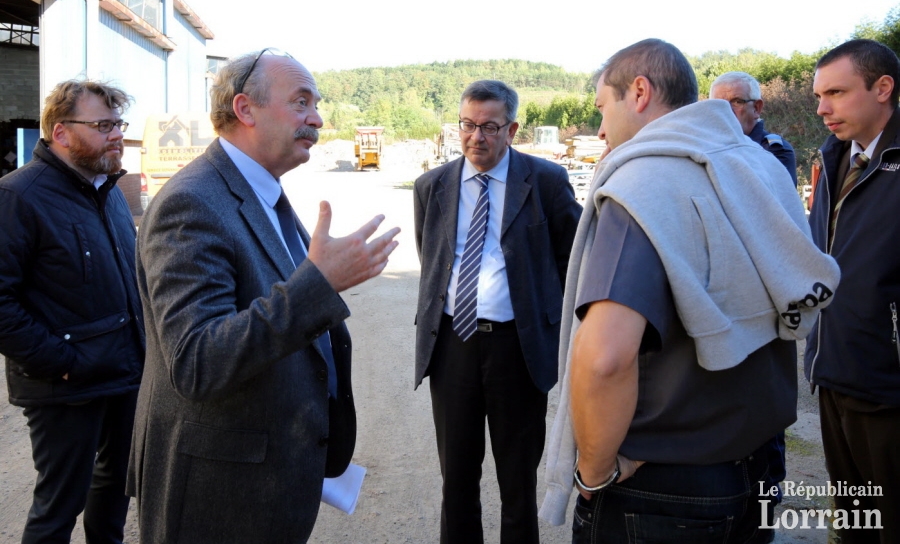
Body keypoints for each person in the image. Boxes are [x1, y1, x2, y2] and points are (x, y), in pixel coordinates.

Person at [540, 39, 840, 542]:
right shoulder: (759, 166)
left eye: (602, 108)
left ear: (638, 92)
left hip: (663, 482)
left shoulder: (643, 183)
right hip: (758, 460)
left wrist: (594, 472)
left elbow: (605, 359)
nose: (599, 130)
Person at [128, 48, 400, 543]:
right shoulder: (192, 203)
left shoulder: (263, 190)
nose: (316, 118)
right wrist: (319, 284)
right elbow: (197, 361)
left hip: (262, 482)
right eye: (300, 102)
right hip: (218, 494)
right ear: (244, 109)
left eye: (315, 104)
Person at [414, 80, 580, 544]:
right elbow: (432, 257)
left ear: (512, 129)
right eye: (467, 125)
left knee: (517, 482)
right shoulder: (433, 186)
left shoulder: (545, 182)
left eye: (489, 127)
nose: (476, 138)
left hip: (518, 349)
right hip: (453, 346)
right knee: (457, 481)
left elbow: (569, 260)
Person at [0, 80, 145, 544]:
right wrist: (59, 363)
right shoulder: (18, 196)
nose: (117, 134)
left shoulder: (108, 192)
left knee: (115, 494)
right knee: (58, 508)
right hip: (64, 386)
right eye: (103, 125)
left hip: (123, 374)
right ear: (61, 133)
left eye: (117, 123)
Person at [805, 39, 900, 544]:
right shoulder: (833, 157)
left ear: (883, 88)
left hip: (888, 387)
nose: (822, 109)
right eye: (820, 95)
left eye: (836, 93)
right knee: (854, 524)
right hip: (833, 370)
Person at [710, 70, 796, 521]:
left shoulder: (772, 154)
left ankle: (762, 515)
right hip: (723, 304)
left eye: (735, 104)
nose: (725, 115)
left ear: (757, 108)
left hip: (762, 307)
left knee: (764, 418)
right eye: (716, 106)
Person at [710, 71, 798, 185]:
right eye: (719, 104)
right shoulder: (704, 145)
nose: (727, 110)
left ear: (757, 108)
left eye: (737, 102)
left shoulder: (775, 151)